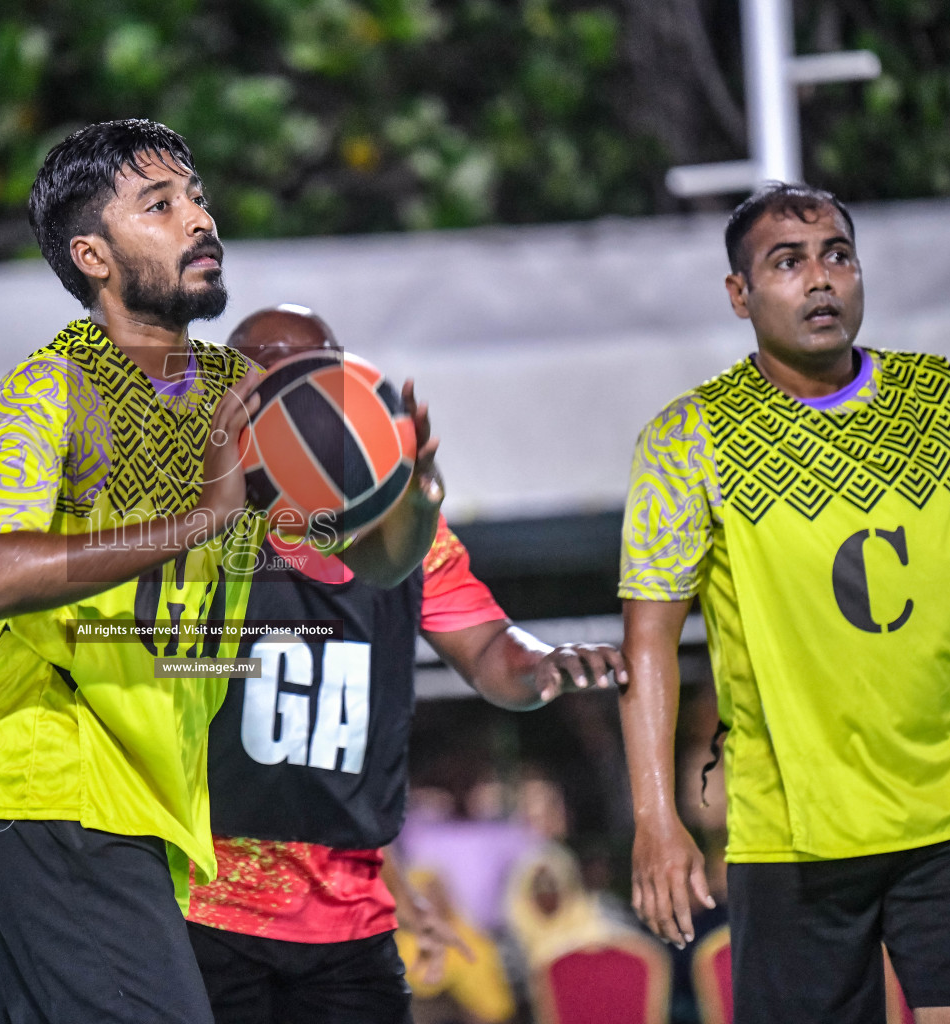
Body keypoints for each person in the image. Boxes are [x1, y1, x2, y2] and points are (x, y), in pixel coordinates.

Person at [0, 120, 436, 1024]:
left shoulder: (236, 391)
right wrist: (192, 521)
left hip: (133, 806)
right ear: (92, 255)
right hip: (41, 786)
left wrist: (413, 498)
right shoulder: (52, 390)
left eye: (196, 197)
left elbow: (368, 561)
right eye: (159, 206)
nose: (199, 218)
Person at [184, 305, 626, 1024]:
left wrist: (544, 663)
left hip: (347, 916)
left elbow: (488, 650)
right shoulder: (191, 523)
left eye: (311, 371)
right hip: (203, 902)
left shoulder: (410, 535)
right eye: (261, 369)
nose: (289, 388)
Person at [617, 182, 950, 1024]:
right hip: (793, 831)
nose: (820, 279)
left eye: (836, 256)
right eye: (788, 262)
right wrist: (655, 821)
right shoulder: (689, 439)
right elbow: (648, 643)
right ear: (740, 295)